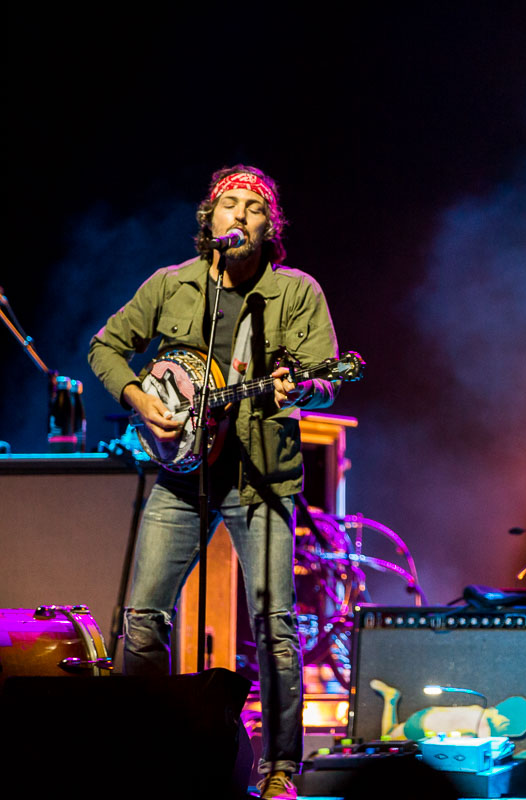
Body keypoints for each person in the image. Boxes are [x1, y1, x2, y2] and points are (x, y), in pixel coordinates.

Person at [88, 166, 340, 797]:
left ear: (269, 225)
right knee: (142, 618)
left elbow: (326, 373)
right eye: (229, 203)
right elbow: (105, 347)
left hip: (263, 481)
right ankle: (152, 754)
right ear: (211, 220)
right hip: (178, 479)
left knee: (275, 625)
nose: (240, 214)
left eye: (254, 206)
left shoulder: (297, 292)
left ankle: (281, 769)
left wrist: (303, 385)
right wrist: (143, 404)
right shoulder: (173, 286)